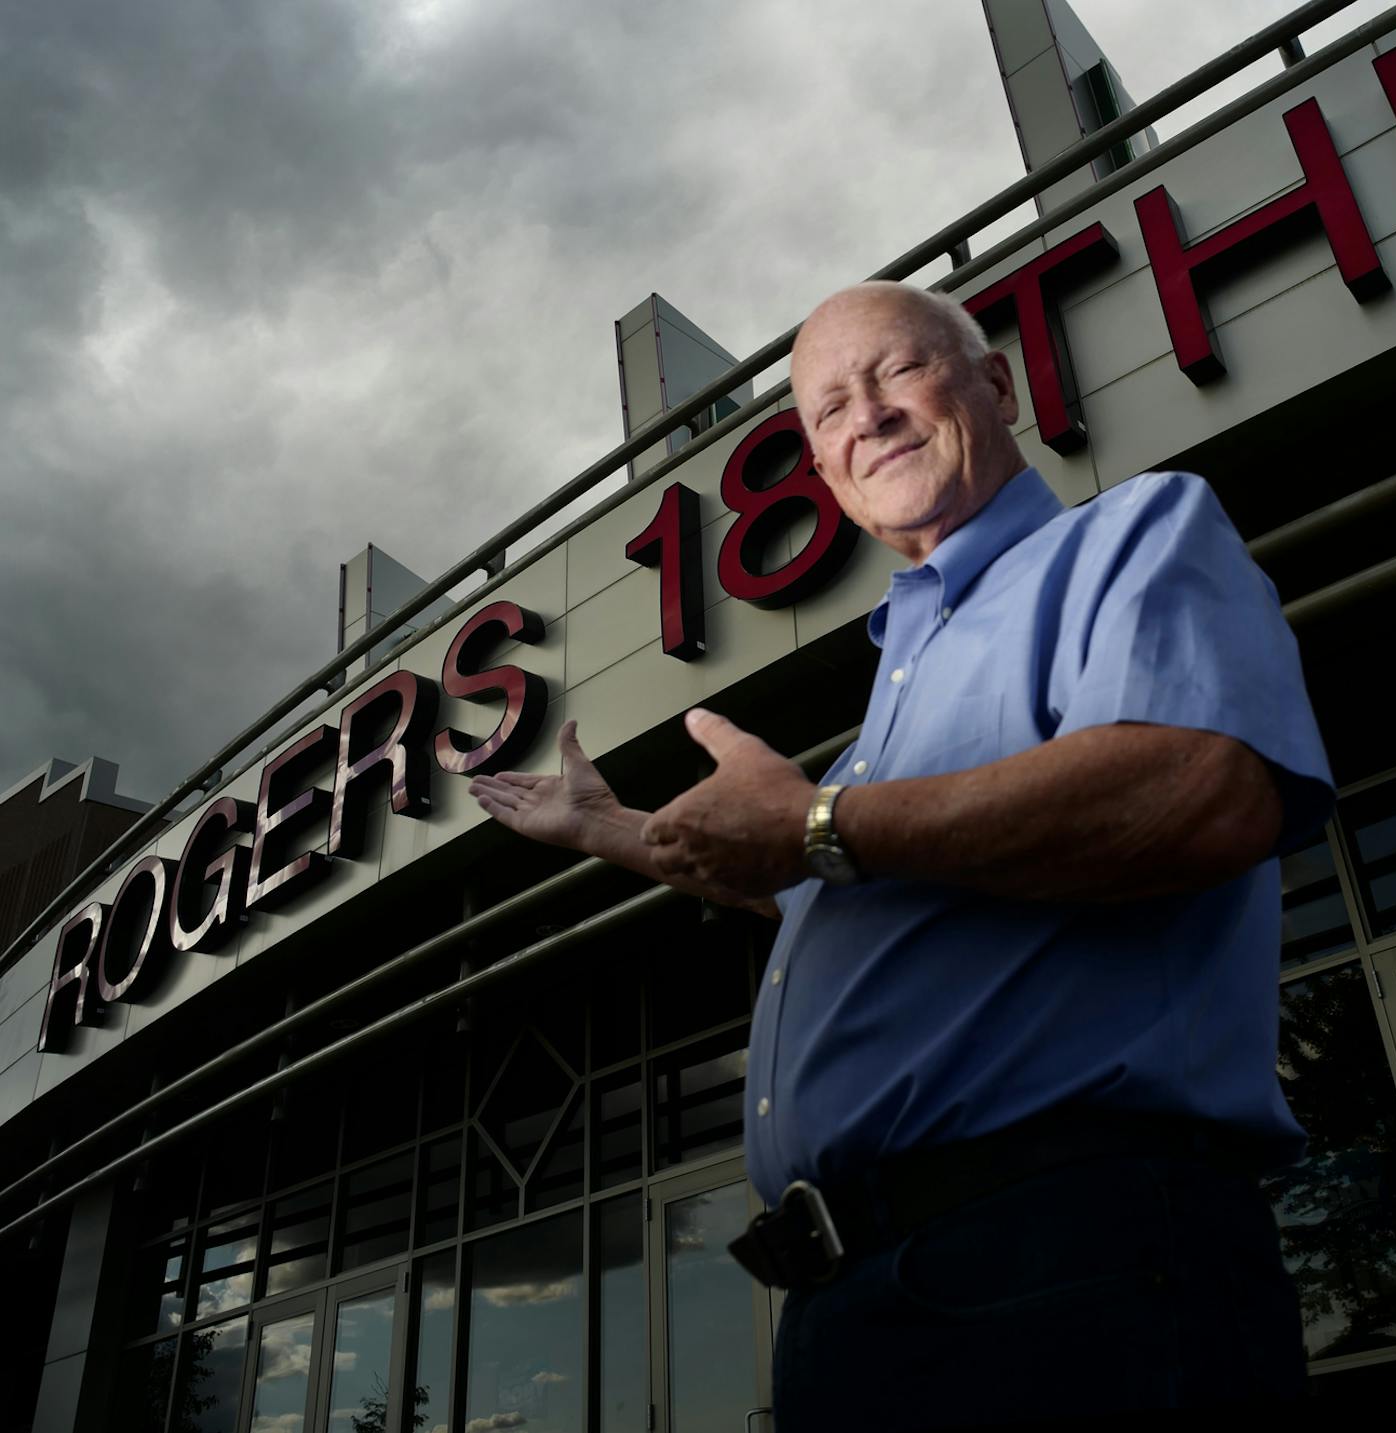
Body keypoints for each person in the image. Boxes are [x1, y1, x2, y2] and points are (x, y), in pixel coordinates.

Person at [469, 281, 1334, 1428]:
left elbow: (1196, 790)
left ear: (998, 383)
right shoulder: (901, 677)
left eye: (897, 372)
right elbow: (849, 895)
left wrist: (818, 825)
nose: (863, 416)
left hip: (1064, 1256)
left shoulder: (1134, 533)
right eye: (827, 410)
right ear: (822, 474)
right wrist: (608, 829)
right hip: (855, 1298)